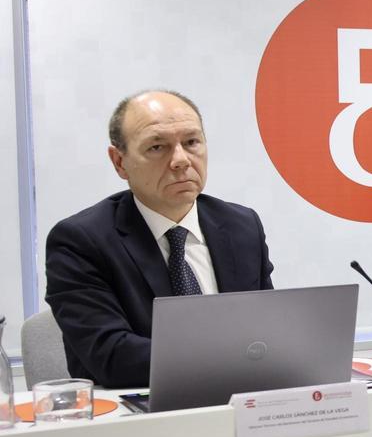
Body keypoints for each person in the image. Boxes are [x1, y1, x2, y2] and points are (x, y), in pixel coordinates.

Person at [44, 90, 274, 388]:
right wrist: (232, 357)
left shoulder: (241, 226)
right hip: (139, 417)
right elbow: (112, 357)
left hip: (239, 409)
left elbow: (267, 329)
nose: (180, 160)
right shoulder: (80, 241)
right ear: (119, 162)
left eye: (192, 142)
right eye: (157, 147)